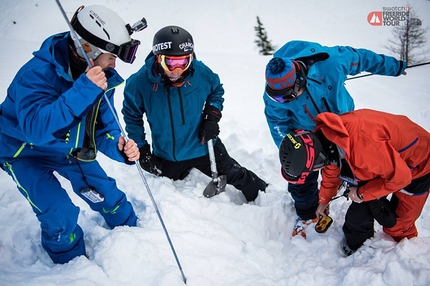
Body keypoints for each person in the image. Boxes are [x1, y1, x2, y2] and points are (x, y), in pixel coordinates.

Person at [0, 5, 147, 264]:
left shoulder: (101, 76)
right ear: (86, 48)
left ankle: (137, 234)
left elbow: (103, 126)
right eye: (112, 55)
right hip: (23, 151)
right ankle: (70, 265)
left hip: (69, 148)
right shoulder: (36, 74)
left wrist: (119, 146)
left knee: (107, 193)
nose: (115, 64)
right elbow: (36, 129)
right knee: (59, 211)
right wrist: (84, 91)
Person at [263, 40, 407, 237]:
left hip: (346, 128)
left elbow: (362, 58)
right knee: (301, 179)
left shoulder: (332, 62)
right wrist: (297, 153)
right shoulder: (274, 95)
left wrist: (395, 67)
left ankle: (362, 209)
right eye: (278, 98)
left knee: (354, 169)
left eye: (287, 96)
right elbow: (277, 124)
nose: (283, 101)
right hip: (308, 136)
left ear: (300, 80)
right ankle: (307, 214)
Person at [122, 25, 267, 202]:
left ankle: (267, 196)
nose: (177, 70)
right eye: (170, 62)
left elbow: (216, 91)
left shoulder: (199, 72)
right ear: (157, 58)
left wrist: (211, 117)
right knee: (170, 194)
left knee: (234, 173)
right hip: (168, 155)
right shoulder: (139, 83)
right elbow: (132, 117)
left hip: (204, 145)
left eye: (183, 62)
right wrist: (143, 150)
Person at [278, 109, 430, 255]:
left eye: (312, 169)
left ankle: (405, 255)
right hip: (386, 162)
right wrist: (324, 200)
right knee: (365, 207)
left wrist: (361, 193)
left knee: (398, 226)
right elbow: (332, 171)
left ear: (318, 161)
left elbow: (401, 178)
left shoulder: (363, 148)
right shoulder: (327, 140)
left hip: (419, 164)